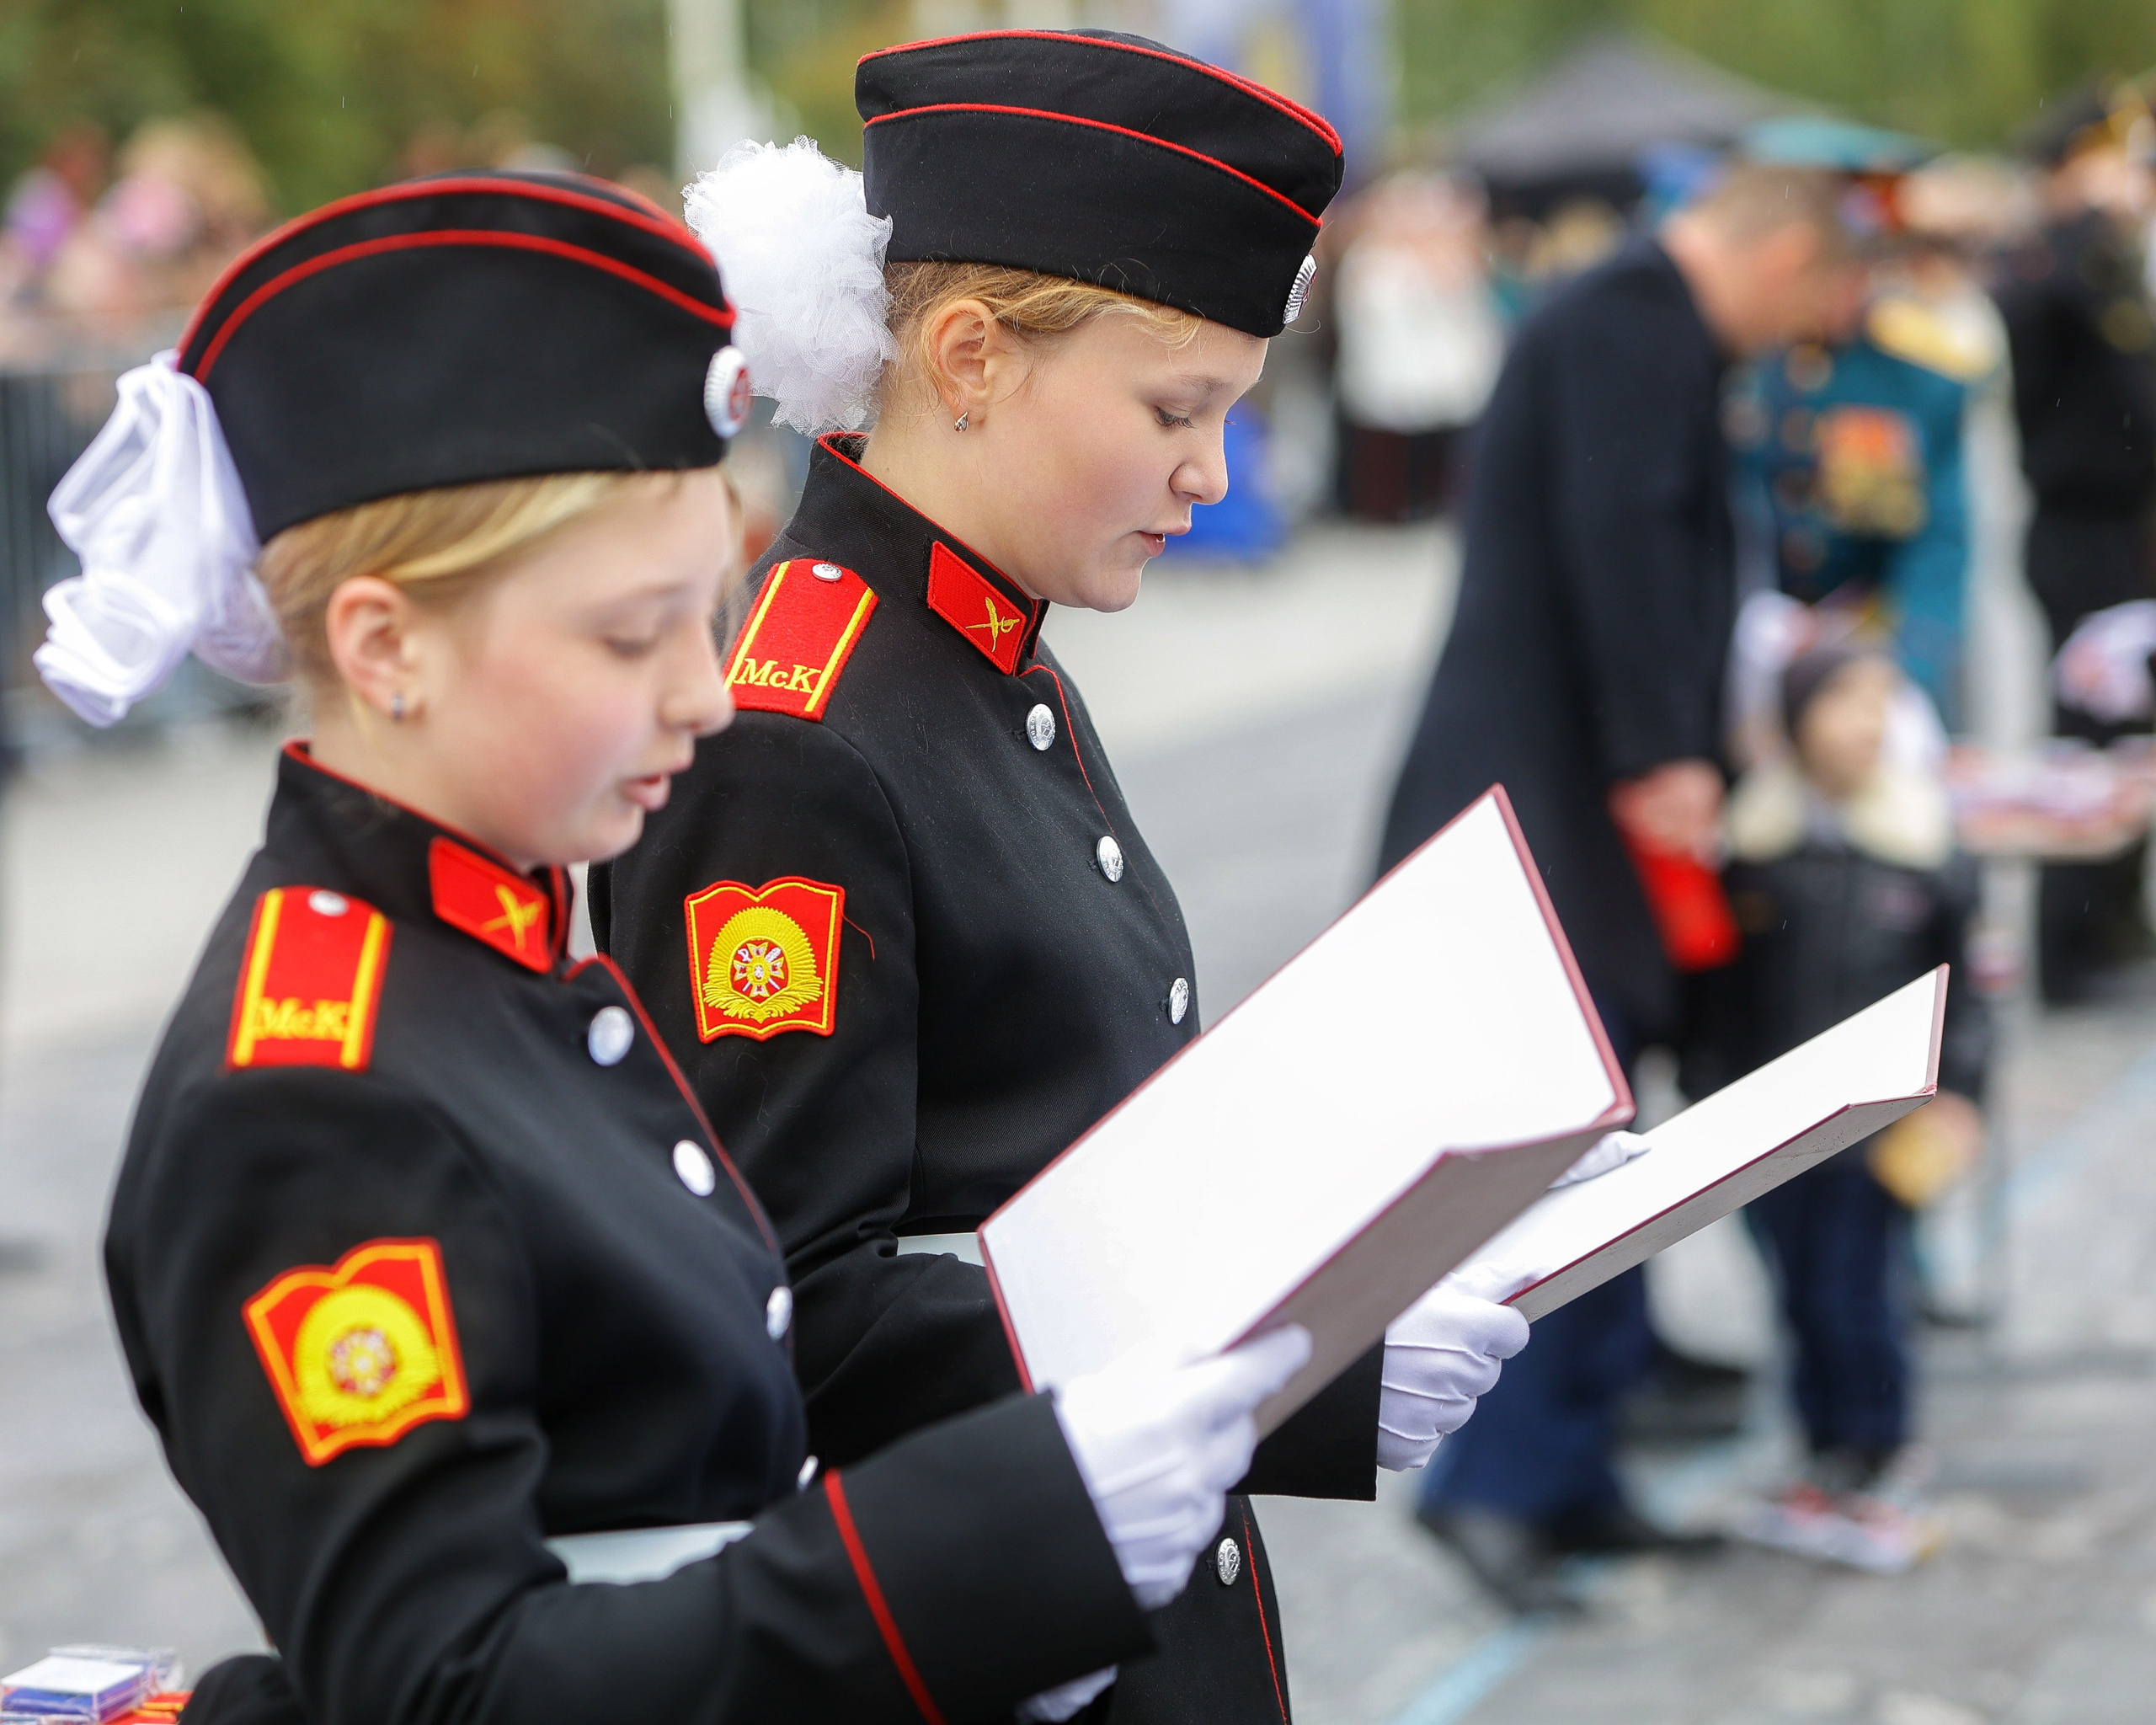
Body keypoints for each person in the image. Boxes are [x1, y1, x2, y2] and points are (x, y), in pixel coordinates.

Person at [55, 171, 1310, 1725]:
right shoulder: (305, 1095)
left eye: (697, 615)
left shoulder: (499, 957)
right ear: (386, 648)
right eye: (627, 631)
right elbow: (448, 1687)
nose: (708, 694)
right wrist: (970, 1562)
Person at [595, 31, 1534, 1720]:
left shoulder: (977, 650)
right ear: (965, 358)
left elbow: (1049, 1143)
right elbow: (793, 1309)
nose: (1212, 475)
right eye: (1176, 410)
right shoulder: (800, 737)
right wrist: (1293, 1366)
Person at [1374, 164, 1861, 1611]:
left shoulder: (1624, 318)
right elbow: (1627, 535)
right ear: (1776, 251)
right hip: (1557, 799)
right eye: (1801, 308)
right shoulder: (1631, 322)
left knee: (1601, 1124)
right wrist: (1668, 751)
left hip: (1567, 791)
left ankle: (1573, 1469)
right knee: (1552, 1137)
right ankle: (1503, 1485)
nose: (1790, 342)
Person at [1692, 644, 1989, 1573]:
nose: (1863, 722)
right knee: (1796, 1291)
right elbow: (1719, 998)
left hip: (1879, 1124)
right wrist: (1710, 1101)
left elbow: (1966, 993)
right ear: (1791, 722)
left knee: (1864, 1291)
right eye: (1840, 702)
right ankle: (1822, 1451)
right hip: (1774, 1126)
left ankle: (1881, 1447)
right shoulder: (1755, 846)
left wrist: (1959, 1095)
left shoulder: (1923, 844)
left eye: (1879, 701)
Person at [1994, 81, 2156, 1002]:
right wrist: (2086, 227)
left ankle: (2114, 922)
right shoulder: (2055, 259)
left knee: (2126, 732)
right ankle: (2066, 951)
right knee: (2083, 739)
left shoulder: (2105, 259)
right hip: (2076, 529)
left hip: (2122, 532)